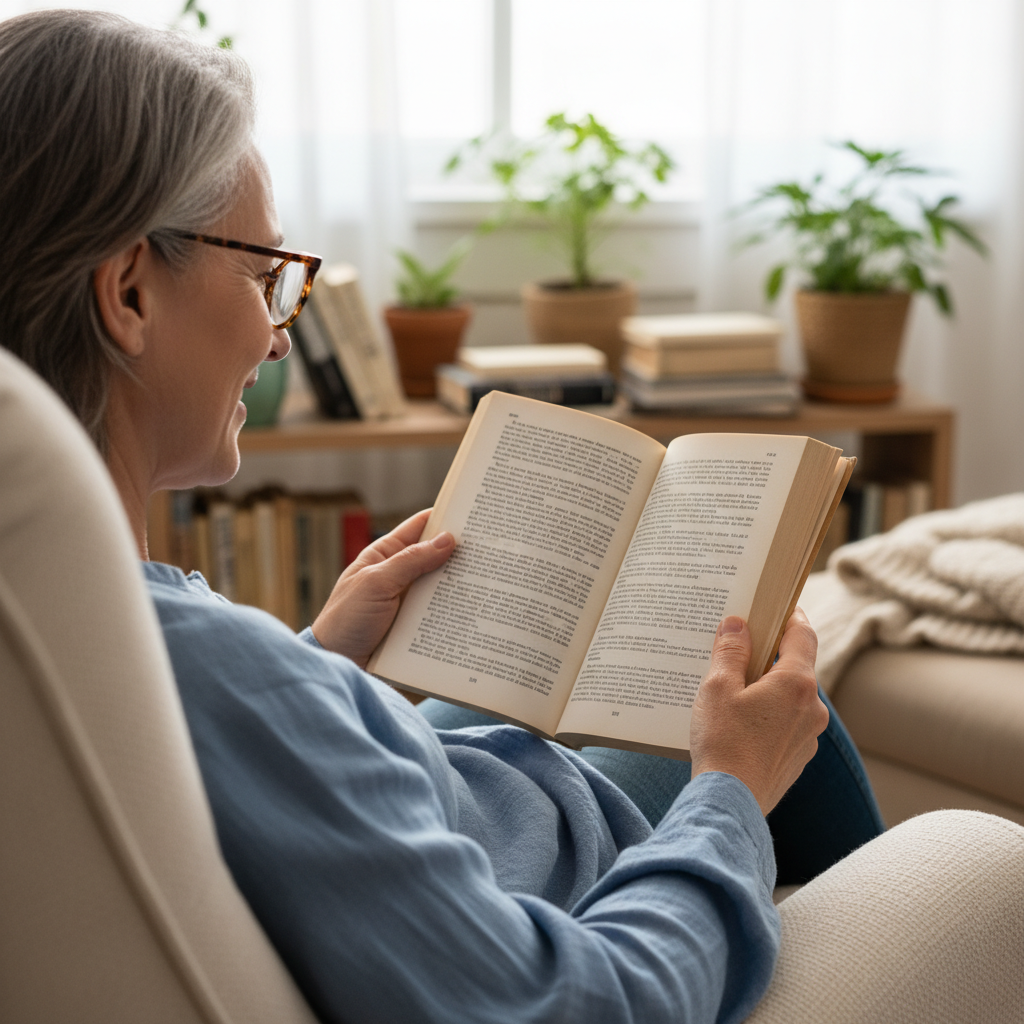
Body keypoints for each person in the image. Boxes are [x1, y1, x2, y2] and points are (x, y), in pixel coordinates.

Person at [0, 10, 883, 1023]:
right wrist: (731, 790)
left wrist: (321, 660)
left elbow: (219, 768)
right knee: (766, 691)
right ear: (127, 294)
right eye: (261, 277)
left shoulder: (107, 628)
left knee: (721, 685)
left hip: (463, 809)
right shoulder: (212, 665)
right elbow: (560, 1004)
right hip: (548, 898)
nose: (278, 338)